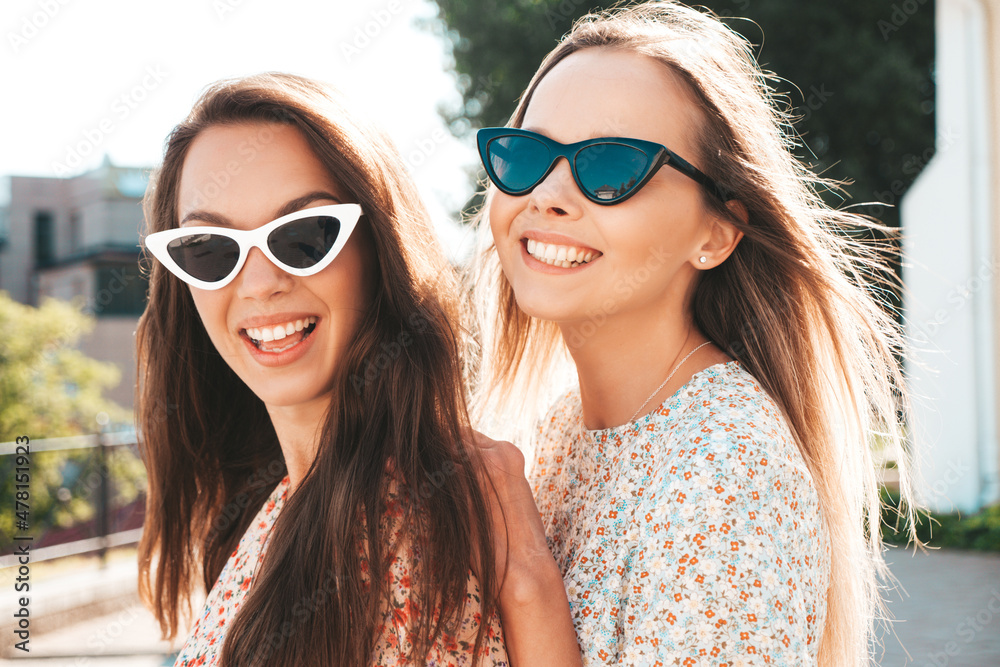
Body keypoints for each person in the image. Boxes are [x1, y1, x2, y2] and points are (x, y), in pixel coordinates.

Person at [468, 2, 916, 665]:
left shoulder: (725, 468)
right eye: (527, 155)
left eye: (611, 166)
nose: (549, 194)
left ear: (716, 233)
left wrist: (527, 584)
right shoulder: (561, 434)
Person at [136, 72, 507, 666]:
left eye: (305, 236)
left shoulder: (406, 534)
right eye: (209, 248)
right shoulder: (280, 505)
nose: (259, 285)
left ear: (379, 250)